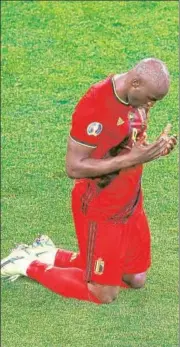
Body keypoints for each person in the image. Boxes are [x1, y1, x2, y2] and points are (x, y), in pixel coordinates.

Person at [1, 58, 177, 304]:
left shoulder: (138, 98)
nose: (151, 105)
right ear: (135, 83)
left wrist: (154, 150)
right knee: (104, 293)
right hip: (101, 207)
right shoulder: (95, 106)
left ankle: (48, 253)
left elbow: (128, 141)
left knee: (135, 278)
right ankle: (25, 263)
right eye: (150, 99)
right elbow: (74, 167)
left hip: (131, 200)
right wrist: (132, 159)